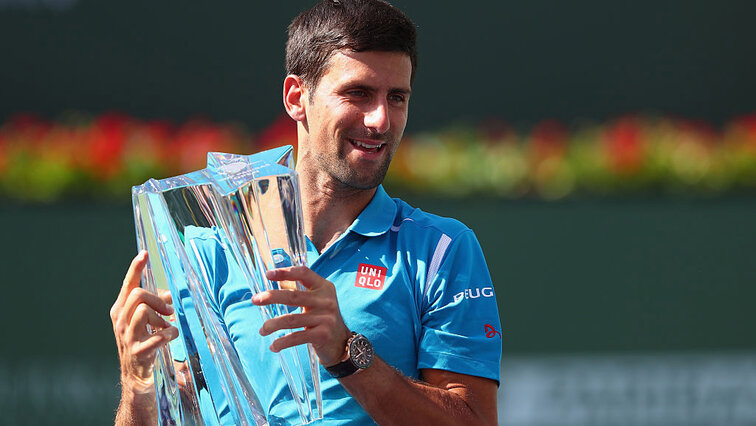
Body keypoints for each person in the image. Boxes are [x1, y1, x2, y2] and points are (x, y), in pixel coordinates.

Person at [110, 0, 502, 424]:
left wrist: (348, 352)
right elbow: (174, 411)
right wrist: (138, 386)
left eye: (397, 97)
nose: (381, 120)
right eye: (358, 93)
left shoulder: (442, 249)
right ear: (297, 98)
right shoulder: (209, 254)